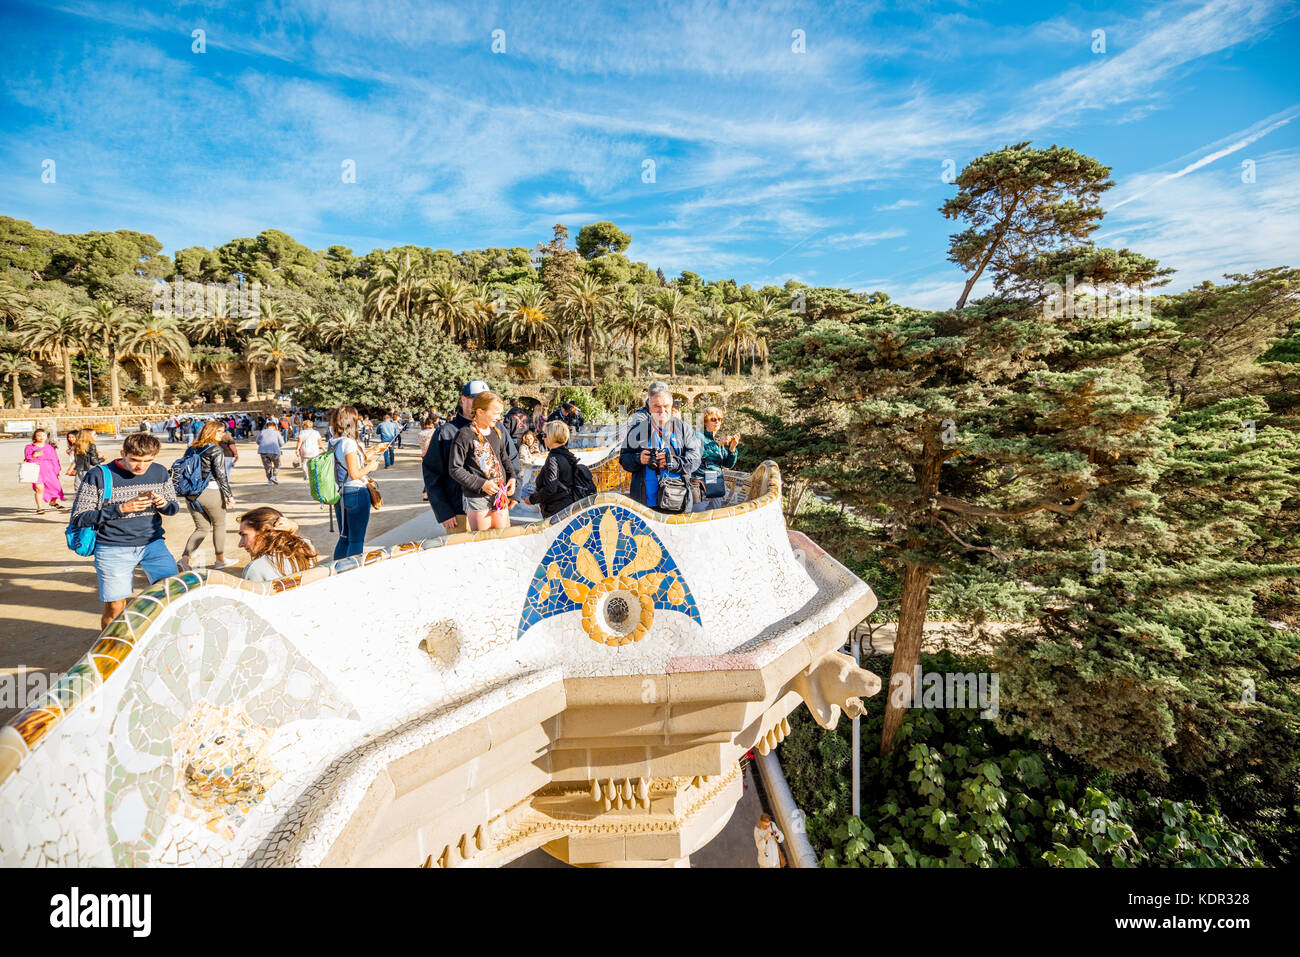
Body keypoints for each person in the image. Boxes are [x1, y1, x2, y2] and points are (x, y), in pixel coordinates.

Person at [68, 431, 181, 628]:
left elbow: (173, 508)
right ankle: (110, 648)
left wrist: (164, 504)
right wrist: (120, 509)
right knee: (116, 607)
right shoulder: (98, 475)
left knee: (173, 594)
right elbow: (79, 518)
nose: (141, 466)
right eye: (135, 460)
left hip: (153, 544)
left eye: (148, 461)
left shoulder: (160, 471)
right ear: (123, 453)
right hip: (113, 548)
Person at [619, 383, 701, 512]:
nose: (662, 411)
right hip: (645, 502)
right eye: (657, 406)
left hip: (677, 499)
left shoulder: (684, 429)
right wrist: (638, 459)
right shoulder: (638, 430)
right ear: (650, 408)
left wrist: (673, 462)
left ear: (671, 406)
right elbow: (624, 459)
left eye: (666, 406)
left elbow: (695, 460)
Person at [448, 390, 517, 532]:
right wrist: (482, 484)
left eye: (500, 413)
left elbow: (504, 458)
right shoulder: (464, 434)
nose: (499, 417)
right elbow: (455, 469)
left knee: (502, 537)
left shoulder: (497, 431)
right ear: (480, 411)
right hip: (477, 498)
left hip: (500, 495)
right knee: (484, 540)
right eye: (496, 413)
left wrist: (512, 477)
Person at [422, 381, 483, 534]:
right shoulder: (445, 432)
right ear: (463, 399)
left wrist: (513, 493)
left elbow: (510, 461)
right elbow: (431, 473)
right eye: (476, 399)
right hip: (459, 511)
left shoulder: (496, 429)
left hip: (491, 509)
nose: (480, 404)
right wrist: (443, 511)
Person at [177, 420, 236, 571]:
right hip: (210, 491)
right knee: (219, 524)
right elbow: (221, 475)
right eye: (220, 431)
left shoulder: (191, 448)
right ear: (211, 432)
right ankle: (220, 560)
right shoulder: (216, 450)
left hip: (192, 493)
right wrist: (229, 495)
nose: (222, 434)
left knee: (201, 528)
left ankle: (184, 560)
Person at [327, 405, 380, 560]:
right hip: (356, 492)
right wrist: (370, 467)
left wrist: (372, 451)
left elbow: (346, 463)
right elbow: (355, 473)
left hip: (341, 493)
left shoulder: (333, 441)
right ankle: (352, 571)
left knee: (344, 538)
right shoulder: (348, 443)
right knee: (356, 540)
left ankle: (338, 570)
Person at [236, 506, 318, 582]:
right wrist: (293, 529)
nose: (240, 544)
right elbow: (302, 541)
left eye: (244, 535)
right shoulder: (307, 549)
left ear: (265, 531)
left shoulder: (255, 569)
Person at [526, 421, 585, 518]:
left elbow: (550, 488)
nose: (543, 438)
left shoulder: (553, 459)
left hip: (557, 510)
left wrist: (532, 499)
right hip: (567, 506)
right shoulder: (566, 454)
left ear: (552, 437)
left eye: (544, 435)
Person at [693, 406, 740, 511]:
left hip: (716, 484)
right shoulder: (697, 436)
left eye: (720, 419)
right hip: (701, 484)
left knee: (714, 516)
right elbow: (698, 456)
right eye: (713, 419)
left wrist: (732, 448)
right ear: (705, 422)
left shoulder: (717, 440)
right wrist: (718, 444)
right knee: (698, 516)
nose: (717, 422)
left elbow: (728, 464)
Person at [24, 428, 66, 513]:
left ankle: (53, 502)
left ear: (46, 437)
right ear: (35, 437)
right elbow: (27, 458)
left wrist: (57, 470)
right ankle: (39, 508)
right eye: (38, 435)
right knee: (39, 489)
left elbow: (55, 459)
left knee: (56, 488)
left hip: (49, 470)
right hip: (36, 470)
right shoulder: (29, 447)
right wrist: (34, 456)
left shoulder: (50, 447)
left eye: (43, 435)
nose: (41, 437)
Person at [257, 419, 285, 484]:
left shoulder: (262, 432)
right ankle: (274, 476)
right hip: (274, 450)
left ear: (267, 426)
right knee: (277, 464)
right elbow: (282, 443)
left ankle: (269, 480)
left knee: (267, 466)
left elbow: (257, 441)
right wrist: (278, 446)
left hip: (263, 451)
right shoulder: (277, 432)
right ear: (274, 426)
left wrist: (262, 444)